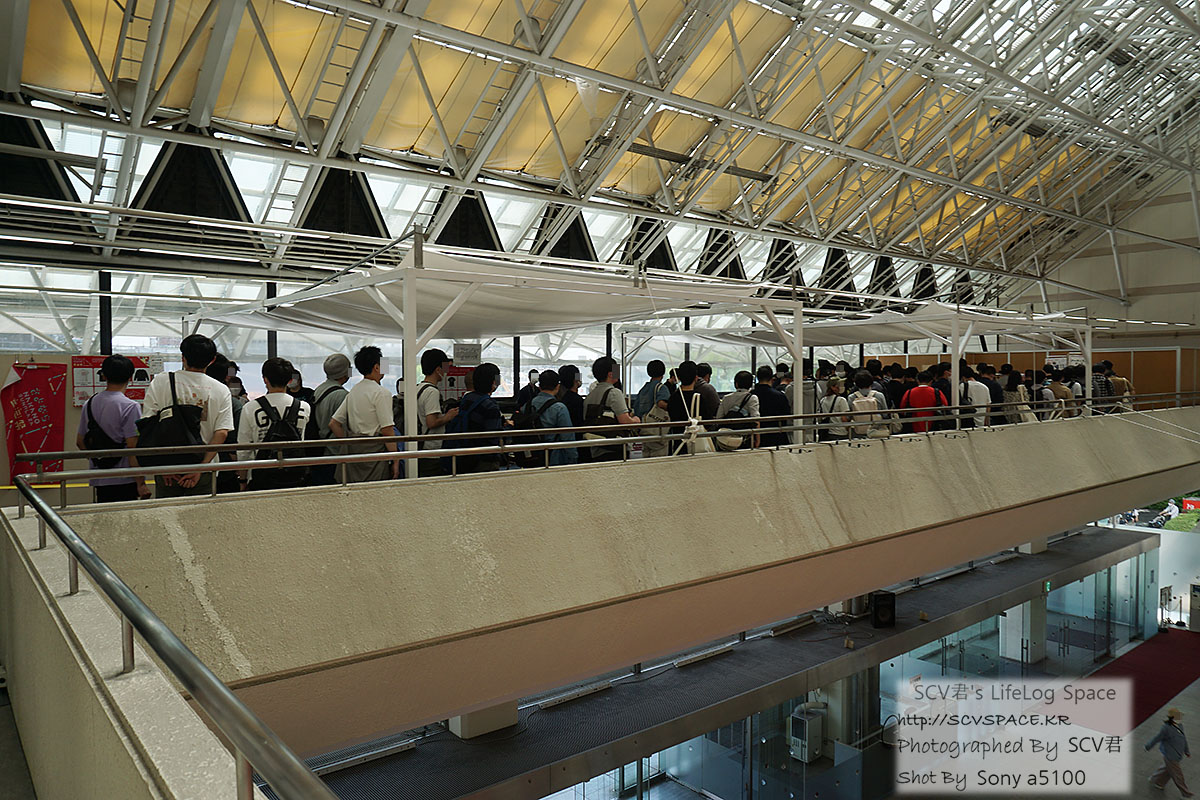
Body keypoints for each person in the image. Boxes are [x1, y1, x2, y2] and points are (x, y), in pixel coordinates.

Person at [141, 334, 234, 497]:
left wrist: (162, 466)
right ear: (212, 360)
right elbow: (221, 433)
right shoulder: (220, 390)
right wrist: (201, 468)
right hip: (204, 468)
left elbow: (148, 423)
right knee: (200, 512)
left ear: (183, 357)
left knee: (167, 511)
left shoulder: (162, 381)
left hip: (168, 467)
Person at [76, 354, 150, 503]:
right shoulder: (130, 406)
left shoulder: (89, 403)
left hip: (99, 477)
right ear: (130, 377)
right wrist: (141, 483)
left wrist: (99, 460)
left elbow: (80, 442)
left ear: (103, 376)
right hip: (124, 478)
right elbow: (132, 448)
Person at [236, 357, 312, 491]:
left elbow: (244, 451)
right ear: (290, 380)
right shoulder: (304, 407)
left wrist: (242, 479)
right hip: (294, 474)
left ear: (265, 379)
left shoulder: (250, 408)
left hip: (261, 475)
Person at [328, 346, 398, 482]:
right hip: (375, 453)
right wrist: (395, 459)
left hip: (354, 454)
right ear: (376, 367)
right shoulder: (382, 393)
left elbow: (333, 423)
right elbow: (387, 430)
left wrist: (349, 443)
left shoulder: (354, 391)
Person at [452, 362, 507, 473]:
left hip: (466, 454)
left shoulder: (467, 399)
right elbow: (493, 437)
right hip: (484, 459)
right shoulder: (490, 406)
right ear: (493, 383)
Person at [583, 356, 639, 462]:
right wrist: (636, 420)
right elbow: (625, 422)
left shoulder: (589, 396)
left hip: (595, 448)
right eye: (616, 370)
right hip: (614, 448)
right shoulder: (614, 393)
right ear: (610, 374)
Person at [307, 353, 351, 485]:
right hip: (335, 454)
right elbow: (343, 426)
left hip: (319, 452)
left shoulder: (318, 390)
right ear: (344, 373)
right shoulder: (342, 395)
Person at [415, 348, 459, 477]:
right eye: (445, 368)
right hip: (431, 449)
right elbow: (431, 422)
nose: (446, 372)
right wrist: (448, 416)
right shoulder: (432, 392)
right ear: (438, 369)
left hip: (420, 446)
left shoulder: (418, 388)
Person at [530, 369, 577, 466]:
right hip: (555, 456)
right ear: (558, 386)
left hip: (532, 454)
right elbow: (567, 436)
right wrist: (573, 457)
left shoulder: (528, 405)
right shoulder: (560, 408)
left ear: (539, 386)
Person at [1146, 708, 1192, 796]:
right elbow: (1157, 738)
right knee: (1178, 775)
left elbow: (1183, 739)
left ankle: (1157, 782)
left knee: (1167, 769)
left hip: (1178, 754)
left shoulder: (1180, 725)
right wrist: (1148, 746)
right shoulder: (1166, 728)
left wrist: (1187, 751)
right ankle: (1186, 794)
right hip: (1170, 755)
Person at [715, 369, 760, 448]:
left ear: (736, 384)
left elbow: (719, 418)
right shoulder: (753, 398)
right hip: (744, 438)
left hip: (726, 438)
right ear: (751, 384)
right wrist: (757, 440)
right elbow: (756, 420)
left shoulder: (726, 398)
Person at [751, 365, 791, 447]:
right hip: (777, 435)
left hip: (756, 437)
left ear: (758, 378)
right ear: (771, 378)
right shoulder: (780, 395)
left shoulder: (751, 395)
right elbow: (787, 414)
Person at [847, 370, 890, 438]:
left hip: (857, 431)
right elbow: (885, 414)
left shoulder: (851, 397)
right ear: (871, 382)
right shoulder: (879, 395)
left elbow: (849, 416)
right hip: (876, 431)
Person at [817, 376, 852, 441]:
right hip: (840, 433)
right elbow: (844, 419)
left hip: (827, 433)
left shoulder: (823, 400)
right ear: (833, 387)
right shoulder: (841, 400)